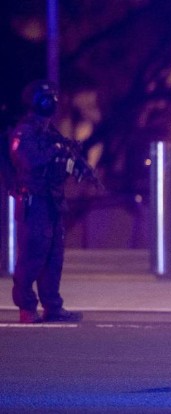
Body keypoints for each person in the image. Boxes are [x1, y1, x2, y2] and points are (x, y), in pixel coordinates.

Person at [8, 80, 86, 323]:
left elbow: (59, 161)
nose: (52, 102)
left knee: (54, 257)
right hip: (35, 201)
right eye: (47, 97)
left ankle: (52, 306)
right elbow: (29, 160)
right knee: (33, 256)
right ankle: (27, 307)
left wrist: (73, 164)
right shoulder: (25, 131)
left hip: (52, 201)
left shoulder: (49, 131)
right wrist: (56, 151)